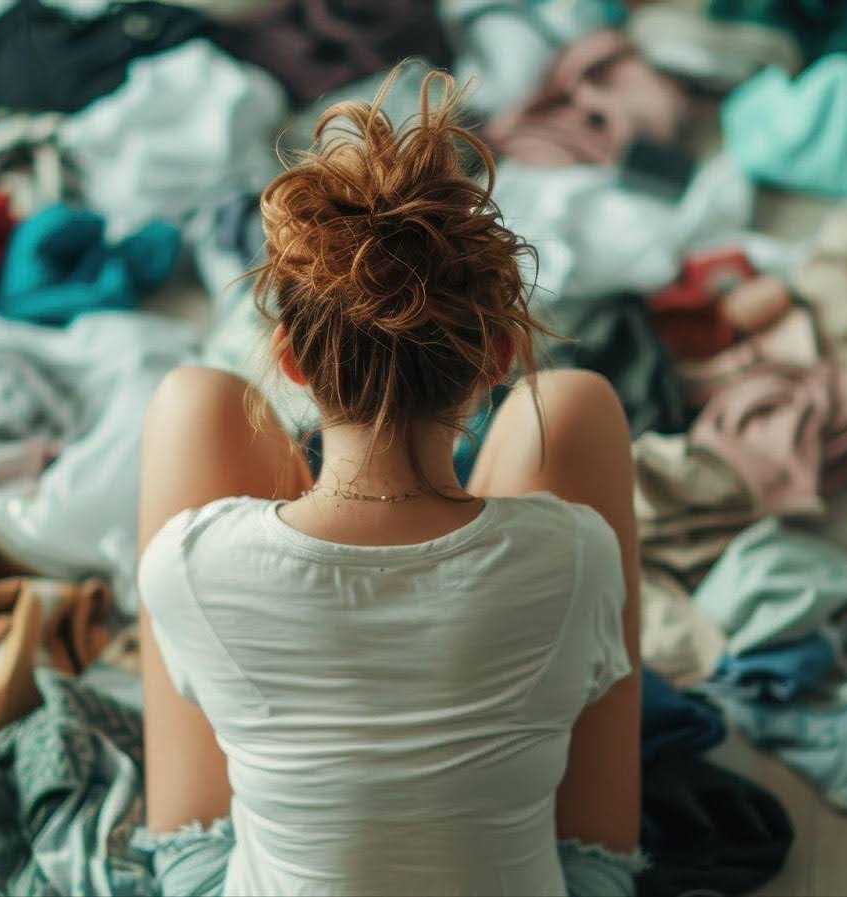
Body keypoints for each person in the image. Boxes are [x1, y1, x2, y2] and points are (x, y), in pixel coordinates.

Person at [133, 68, 645, 896]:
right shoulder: (578, 551)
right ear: (498, 358)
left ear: (294, 364)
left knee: (193, 402)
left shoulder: (187, 560)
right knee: (576, 406)